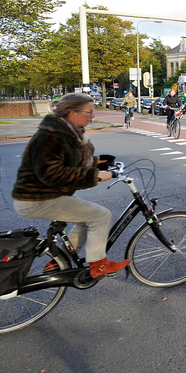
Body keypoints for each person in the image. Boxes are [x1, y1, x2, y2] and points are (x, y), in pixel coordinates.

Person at [12, 94, 130, 279]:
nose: (92, 116)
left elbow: (69, 161)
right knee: (100, 215)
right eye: (89, 111)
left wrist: (98, 164)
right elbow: (51, 173)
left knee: (86, 218)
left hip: (48, 194)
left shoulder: (66, 131)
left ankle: (60, 260)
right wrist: (93, 175)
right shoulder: (51, 136)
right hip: (35, 199)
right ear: (72, 113)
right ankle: (98, 264)